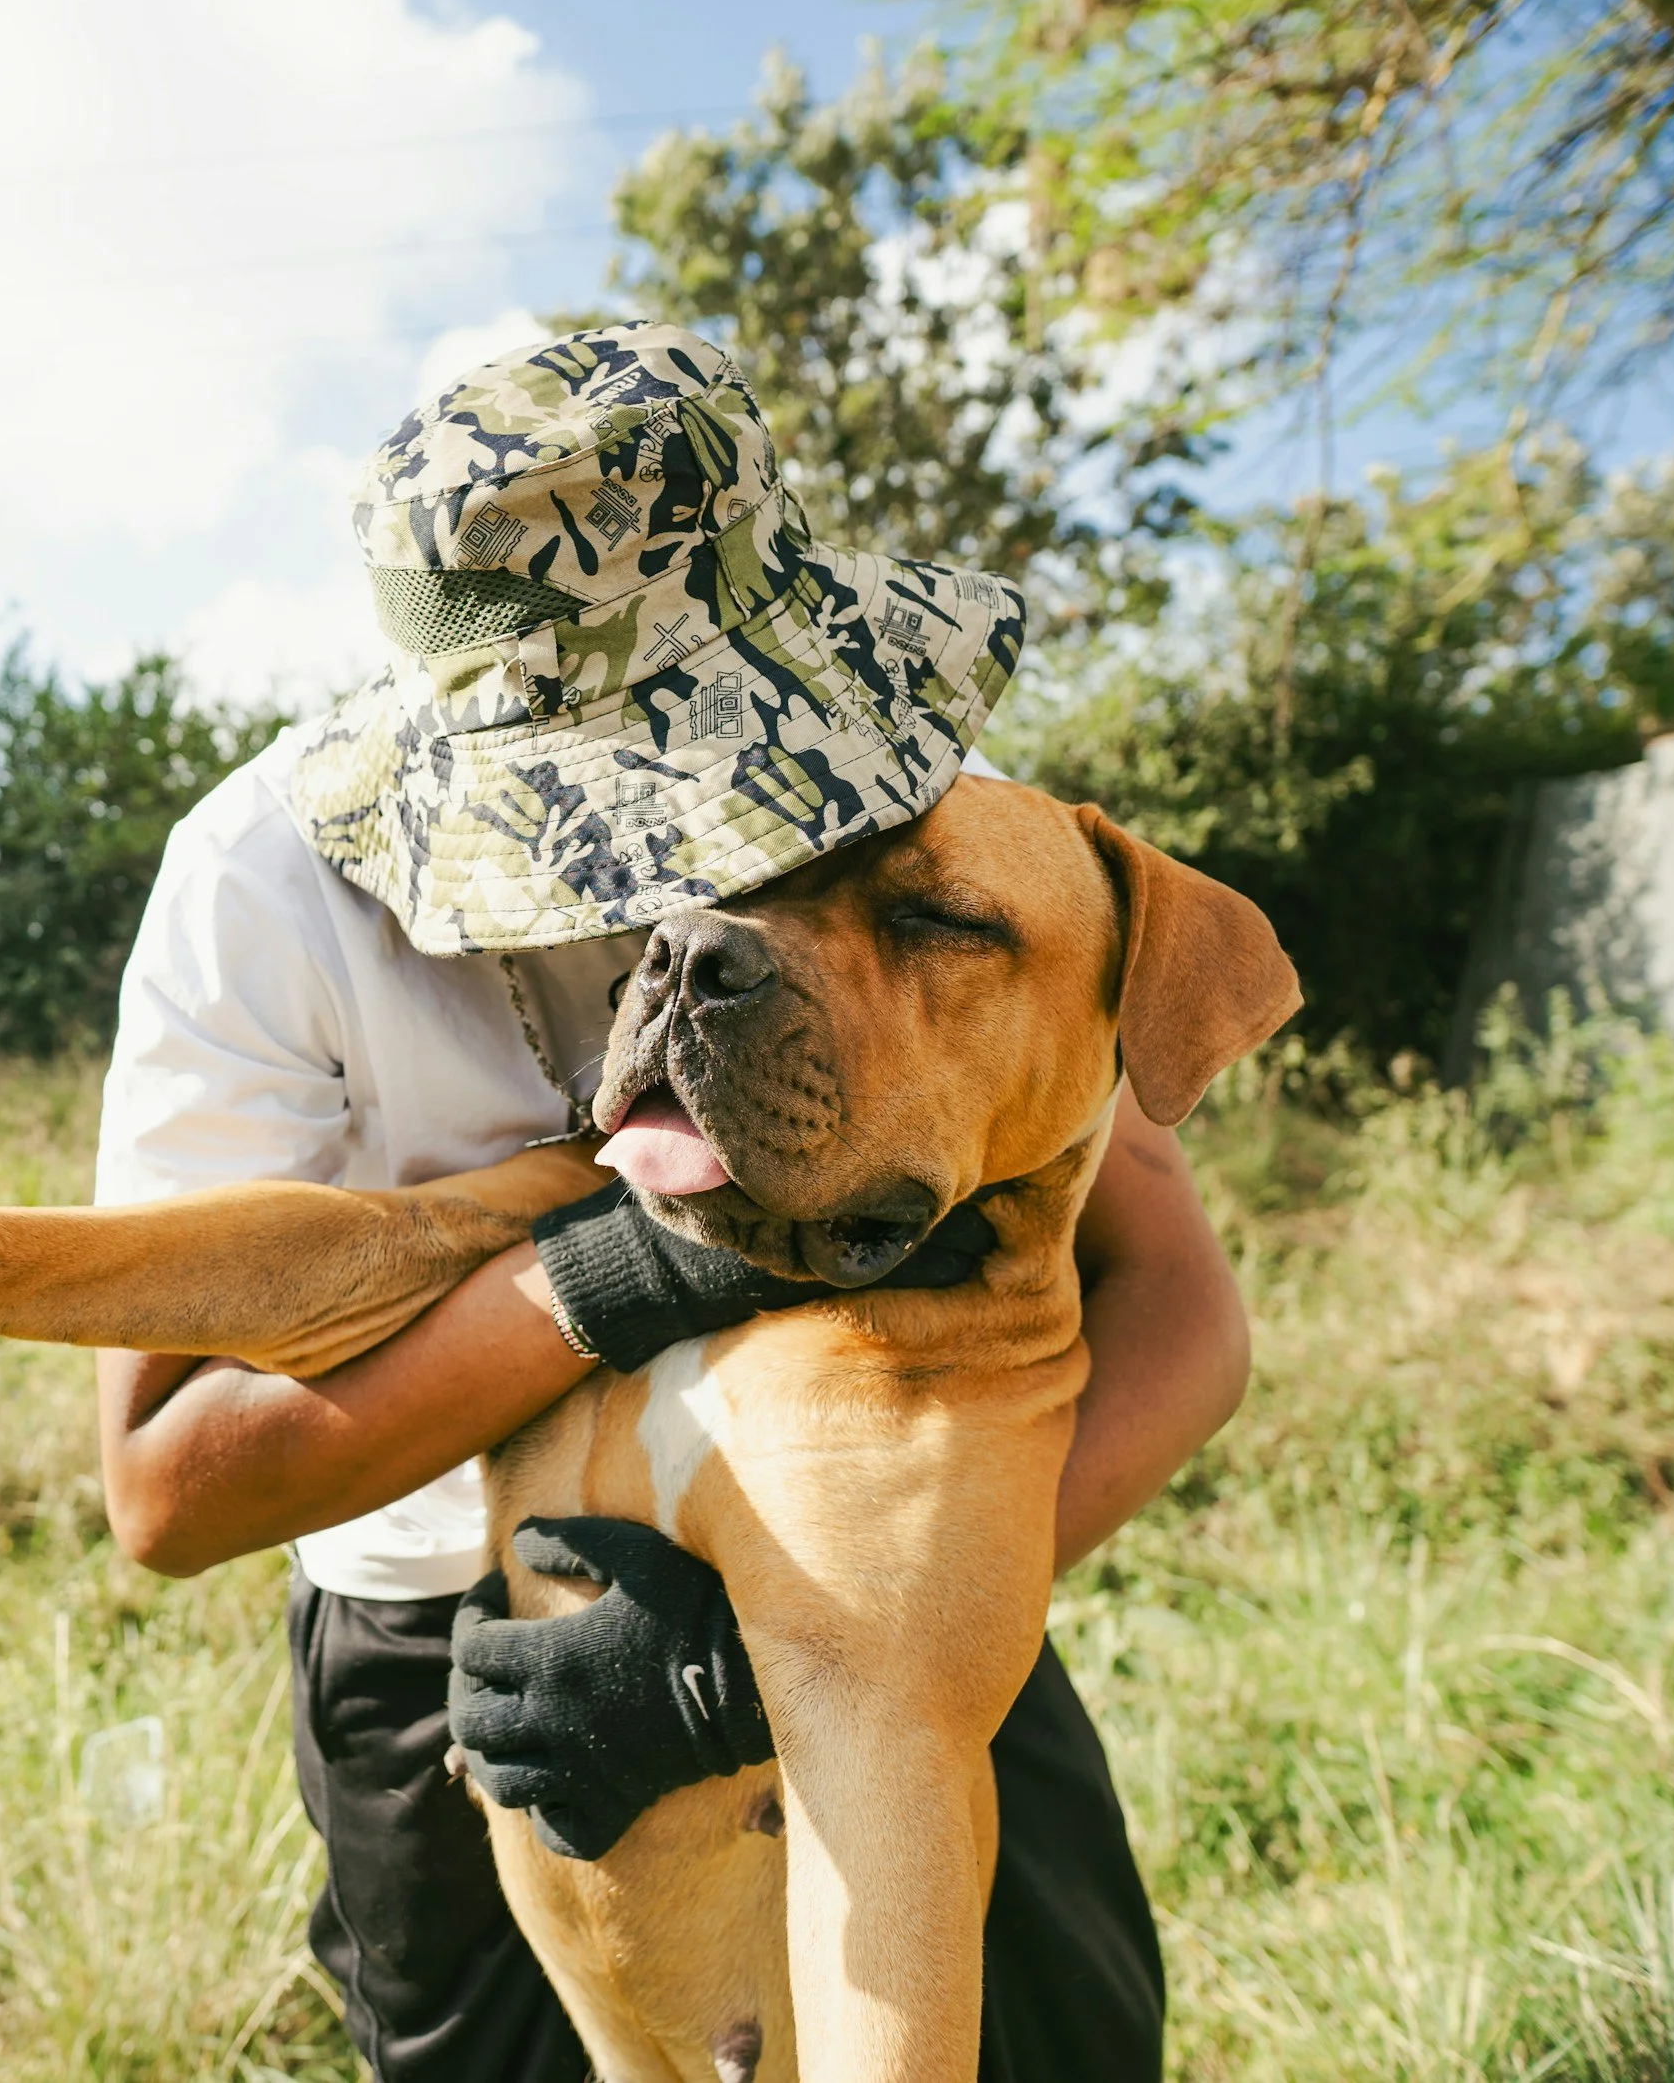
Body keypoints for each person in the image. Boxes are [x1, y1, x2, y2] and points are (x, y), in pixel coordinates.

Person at [92, 324, 1248, 2082]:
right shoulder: (266, 888)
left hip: (893, 1546)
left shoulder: (893, 799)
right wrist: (607, 1275)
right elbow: (168, 1482)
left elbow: (1174, 1300)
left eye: (719, 746)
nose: (717, 833)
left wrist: (797, 1663)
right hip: (465, 1670)